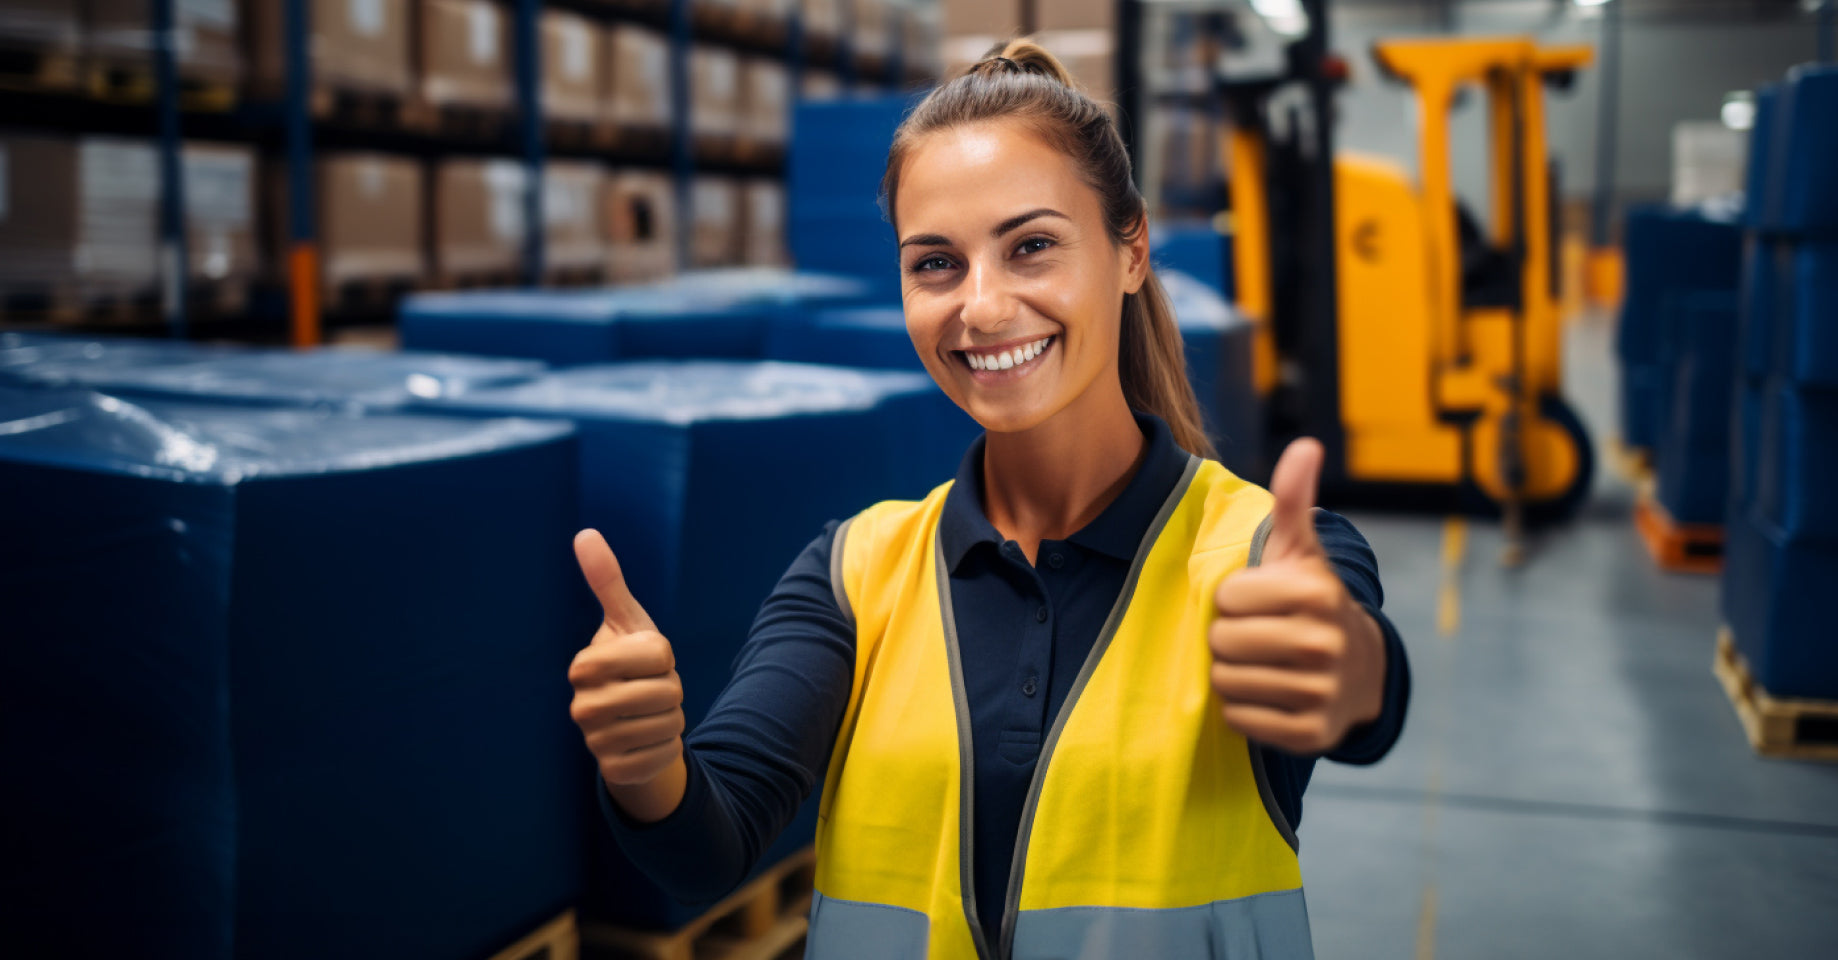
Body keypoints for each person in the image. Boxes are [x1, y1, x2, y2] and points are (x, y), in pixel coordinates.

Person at [566, 39, 1410, 960]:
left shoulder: (1264, 556)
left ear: (1131, 251)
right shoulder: (856, 573)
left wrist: (1348, 668)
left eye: (1032, 246)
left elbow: (1361, 690)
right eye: (936, 264)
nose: (983, 306)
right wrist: (648, 768)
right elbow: (707, 849)